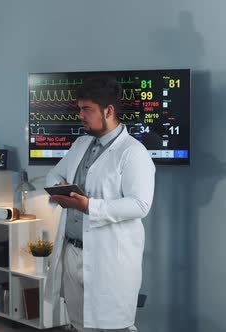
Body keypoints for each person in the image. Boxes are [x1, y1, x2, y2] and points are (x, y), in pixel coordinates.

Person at [44, 76, 155, 332]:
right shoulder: (81, 143)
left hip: (109, 257)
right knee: (80, 325)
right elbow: (54, 174)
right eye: (79, 109)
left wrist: (89, 206)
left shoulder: (133, 153)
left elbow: (140, 205)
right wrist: (59, 189)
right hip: (72, 251)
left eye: (86, 109)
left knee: (112, 326)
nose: (80, 115)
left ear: (108, 111)